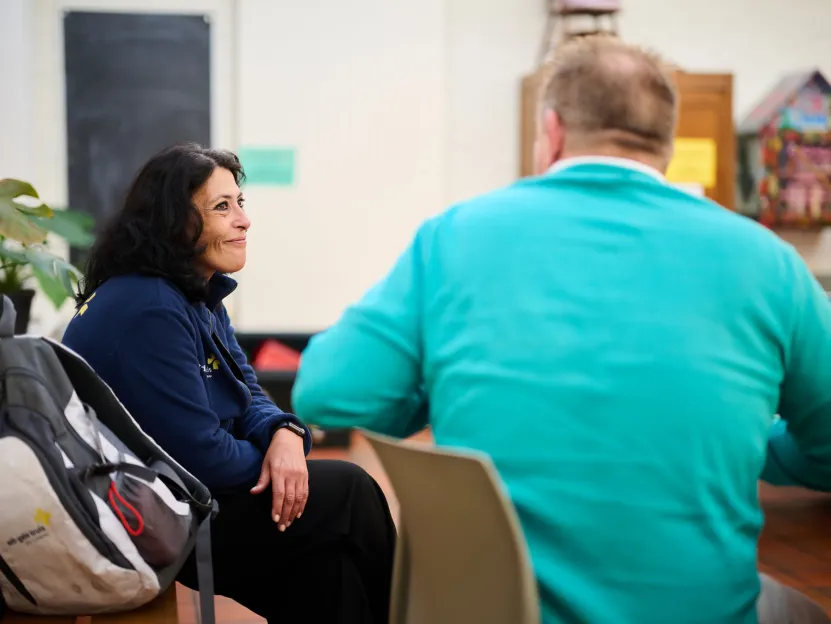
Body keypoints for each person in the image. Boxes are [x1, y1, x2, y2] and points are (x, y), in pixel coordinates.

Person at [291, 35, 831, 624]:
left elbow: (327, 389)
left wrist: (443, 389)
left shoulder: (456, 237)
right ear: (665, 147)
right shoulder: (768, 261)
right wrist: (756, 447)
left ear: (550, 132)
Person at [62, 143, 396, 624]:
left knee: (329, 569)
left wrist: (285, 435)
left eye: (240, 202)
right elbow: (201, 461)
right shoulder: (150, 306)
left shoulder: (197, 295)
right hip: (159, 519)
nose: (244, 220)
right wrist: (280, 463)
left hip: (190, 503)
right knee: (349, 490)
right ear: (176, 222)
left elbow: (250, 394)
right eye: (223, 207)